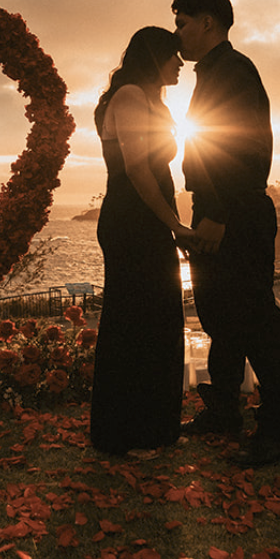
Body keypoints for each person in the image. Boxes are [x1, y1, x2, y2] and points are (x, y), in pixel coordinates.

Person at [172, 0, 280, 467]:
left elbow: (244, 147)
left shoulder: (234, 70)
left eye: (183, 21)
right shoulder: (212, 74)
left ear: (208, 23)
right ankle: (225, 408)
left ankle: (279, 425)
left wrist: (219, 214)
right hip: (215, 208)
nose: (177, 32)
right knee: (219, 315)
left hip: (235, 213)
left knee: (254, 317)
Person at [89, 27, 197, 455]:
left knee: (157, 319)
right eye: (173, 55)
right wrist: (175, 224)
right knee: (138, 322)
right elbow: (137, 170)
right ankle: (130, 433)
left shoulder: (150, 99)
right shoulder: (132, 96)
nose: (181, 62)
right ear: (154, 57)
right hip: (131, 221)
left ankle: (151, 424)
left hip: (145, 219)